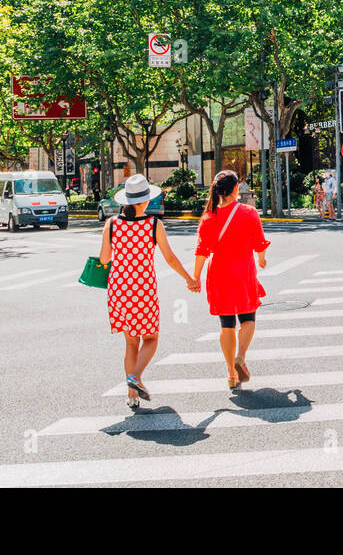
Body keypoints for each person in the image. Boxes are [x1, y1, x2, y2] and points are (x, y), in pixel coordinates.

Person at [100, 174, 199, 409]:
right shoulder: (154, 224)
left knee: (131, 342)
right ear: (146, 199)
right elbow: (170, 258)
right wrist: (190, 279)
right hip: (143, 289)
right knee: (151, 338)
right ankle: (135, 377)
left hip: (119, 289)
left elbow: (104, 259)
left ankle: (132, 395)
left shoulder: (112, 224)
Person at [194, 170, 270, 391]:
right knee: (248, 318)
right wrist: (262, 260)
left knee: (226, 324)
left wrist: (195, 277)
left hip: (218, 274)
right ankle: (241, 357)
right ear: (236, 189)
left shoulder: (209, 216)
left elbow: (201, 251)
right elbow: (259, 244)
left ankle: (230, 374)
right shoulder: (248, 212)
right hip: (243, 273)